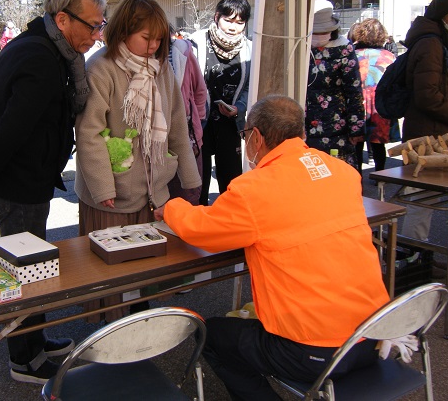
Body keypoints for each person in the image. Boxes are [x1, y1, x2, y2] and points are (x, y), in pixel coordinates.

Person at [153, 95, 390, 401]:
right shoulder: (342, 171)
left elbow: (201, 229)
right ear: (300, 133)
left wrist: (173, 207)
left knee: (211, 335)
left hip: (315, 349)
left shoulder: (255, 189)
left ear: (256, 137)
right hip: (374, 331)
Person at [0, 0, 106, 385]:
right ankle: (27, 361)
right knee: (27, 272)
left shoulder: (34, 46)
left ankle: (35, 339)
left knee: (34, 264)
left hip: (25, 179)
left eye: (100, 23)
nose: (97, 33)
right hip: (17, 184)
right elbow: (11, 128)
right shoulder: (39, 56)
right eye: (92, 25)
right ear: (63, 18)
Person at [74, 0, 201, 234]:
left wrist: (190, 177)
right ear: (124, 31)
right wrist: (103, 187)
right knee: (110, 266)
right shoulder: (101, 68)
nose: (153, 46)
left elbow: (176, 123)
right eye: (146, 38)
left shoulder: (161, 67)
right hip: (112, 196)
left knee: (151, 265)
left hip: (155, 193)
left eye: (159, 39)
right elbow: (88, 133)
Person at [400, 0, 448, 243]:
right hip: (425, 134)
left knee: (424, 198)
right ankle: (415, 255)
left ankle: (419, 252)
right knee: (420, 197)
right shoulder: (431, 43)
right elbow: (426, 94)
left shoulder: (437, 39)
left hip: (434, 129)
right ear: (445, 13)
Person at [189, 0, 252, 205]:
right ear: (217, 17)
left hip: (230, 124)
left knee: (231, 182)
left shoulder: (249, 49)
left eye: (240, 22)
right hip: (199, 123)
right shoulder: (195, 44)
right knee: (199, 181)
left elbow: (249, 87)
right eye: (229, 20)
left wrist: (239, 108)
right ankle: (196, 230)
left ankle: (228, 228)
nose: (233, 27)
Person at [306, 0, 365, 168]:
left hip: (337, 124)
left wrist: (356, 127)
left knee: (338, 170)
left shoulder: (344, 48)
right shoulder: (299, 46)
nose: (319, 36)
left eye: (323, 31)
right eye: (315, 32)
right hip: (305, 123)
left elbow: (353, 91)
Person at [167, 33, 208, 205]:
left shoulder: (182, 50)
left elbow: (200, 90)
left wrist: (196, 123)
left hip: (187, 134)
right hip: (154, 138)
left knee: (187, 194)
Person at [352, 18, 396, 173]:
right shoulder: (389, 57)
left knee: (356, 143)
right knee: (378, 143)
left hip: (356, 103)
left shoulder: (353, 54)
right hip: (379, 105)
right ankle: (380, 176)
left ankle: (358, 177)